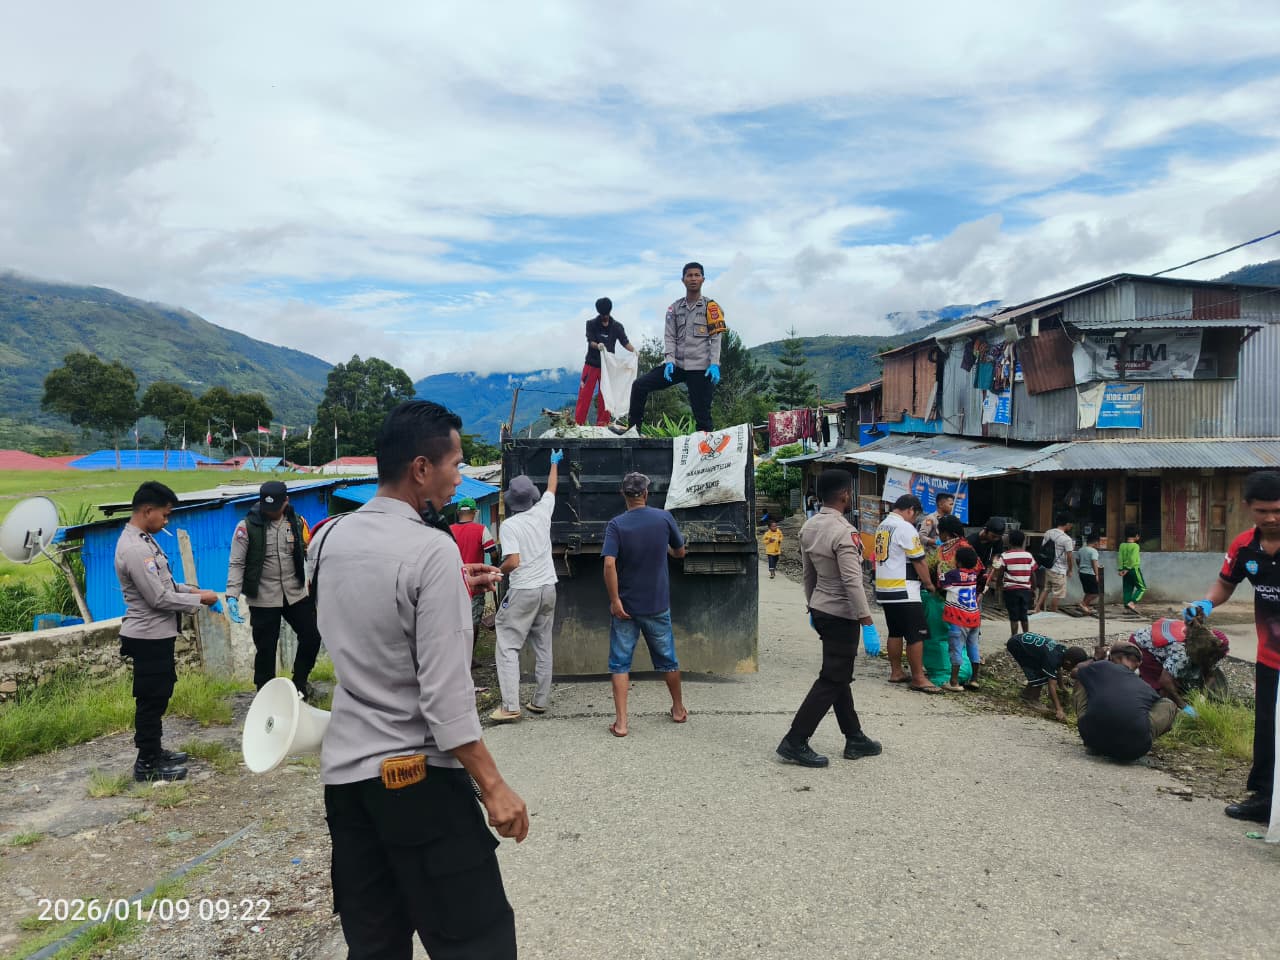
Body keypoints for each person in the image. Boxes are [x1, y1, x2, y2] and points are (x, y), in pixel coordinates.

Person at [308, 399, 526, 959]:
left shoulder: (328, 539)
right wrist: (495, 787)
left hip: (348, 786)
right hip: (419, 783)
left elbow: (367, 618)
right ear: (421, 469)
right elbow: (446, 701)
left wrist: (454, 586)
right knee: (478, 941)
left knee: (376, 944)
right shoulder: (432, 550)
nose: (461, 477)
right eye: (456, 464)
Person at [1184, 469, 1280, 824]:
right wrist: (1206, 604)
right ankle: (1264, 799)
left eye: (1278, 510)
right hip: (1270, 656)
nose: (1270, 518)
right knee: (1268, 726)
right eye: (1262, 511)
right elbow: (1225, 585)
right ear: (1248, 508)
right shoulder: (1244, 546)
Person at [115, 482, 219, 782]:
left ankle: (155, 750)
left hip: (158, 635)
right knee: (150, 700)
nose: (166, 520)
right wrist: (199, 600)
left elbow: (168, 586)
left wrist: (194, 590)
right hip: (147, 636)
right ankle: (146, 764)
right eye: (165, 514)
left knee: (159, 695)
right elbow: (158, 598)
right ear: (148, 511)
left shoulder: (146, 540)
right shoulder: (134, 549)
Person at [777, 469, 882, 767]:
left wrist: (811, 606)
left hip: (822, 609)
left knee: (839, 676)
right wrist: (867, 621)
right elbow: (853, 582)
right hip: (842, 614)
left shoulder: (810, 526)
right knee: (832, 678)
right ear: (846, 494)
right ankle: (795, 740)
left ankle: (854, 737)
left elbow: (808, 573)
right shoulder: (844, 532)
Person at [601, 472, 688, 736]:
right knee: (668, 660)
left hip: (626, 607)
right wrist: (670, 551)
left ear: (623, 495)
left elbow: (608, 563)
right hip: (657, 605)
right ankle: (678, 708)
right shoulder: (663, 518)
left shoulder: (616, 525)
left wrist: (615, 600)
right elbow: (680, 551)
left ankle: (622, 723)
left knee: (620, 664)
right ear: (647, 494)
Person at [225, 480, 322, 699]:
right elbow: (237, 563)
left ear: (286, 501)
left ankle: (300, 684)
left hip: (295, 593)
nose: (271, 512)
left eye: (275, 508)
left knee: (312, 636)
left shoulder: (297, 523)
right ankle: (265, 696)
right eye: (267, 508)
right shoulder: (246, 527)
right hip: (263, 597)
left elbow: (311, 553)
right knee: (266, 649)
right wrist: (232, 595)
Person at [491, 452, 562, 722]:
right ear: (532, 496)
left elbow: (514, 561)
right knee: (544, 646)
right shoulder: (543, 512)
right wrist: (554, 462)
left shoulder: (510, 526)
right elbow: (552, 488)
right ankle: (540, 701)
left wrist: (497, 571)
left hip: (524, 591)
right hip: (548, 588)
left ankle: (510, 706)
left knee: (508, 645)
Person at [627, 262, 724, 434]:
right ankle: (633, 430)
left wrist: (714, 364)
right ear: (683, 280)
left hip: (701, 368)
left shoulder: (712, 307)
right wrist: (669, 361)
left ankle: (706, 452)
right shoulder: (674, 308)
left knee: (702, 415)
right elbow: (670, 336)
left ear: (703, 279)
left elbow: (716, 338)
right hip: (677, 365)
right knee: (640, 385)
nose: (693, 279)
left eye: (697, 275)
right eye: (689, 275)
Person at [875, 494, 940, 694]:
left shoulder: (883, 526)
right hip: (904, 589)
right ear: (910, 509)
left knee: (895, 631)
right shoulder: (904, 527)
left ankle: (896, 672)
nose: (914, 519)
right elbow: (919, 560)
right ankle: (919, 678)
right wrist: (929, 584)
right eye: (915, 515)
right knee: (915, 634)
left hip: (885, 588)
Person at [1071, 642, 1177, 763]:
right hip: (1134, 750)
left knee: (1082, 679)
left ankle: (1095, 739)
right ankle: (1138, 740)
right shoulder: (1145, 687)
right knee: (1168, 704)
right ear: (1138, 664)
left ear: (1111, 657)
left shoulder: (1101, 667)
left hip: (1092, 739)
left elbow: (1074, 672)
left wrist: (1095, 659)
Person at [1130, 617, 1229, 711]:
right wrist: (1183, 706)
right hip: (1144, 646)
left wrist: (1202, 695)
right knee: (1162, 689)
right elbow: (1164, 681)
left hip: (1166, 649)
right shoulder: (1182, 651)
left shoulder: (1207, 646)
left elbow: (1210, 674)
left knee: (1177, 675)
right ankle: (1139, 682)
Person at [573, 297, 636, 426]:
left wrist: (634, 351)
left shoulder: (617, 326)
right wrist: (599, 346)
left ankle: (603, 423)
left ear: (610, 311)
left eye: (606, 315)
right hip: (591, 364)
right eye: (603, 315)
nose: (605, 317)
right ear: (599, 313)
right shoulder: (591, 324)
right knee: (585, 394)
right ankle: (578, 423)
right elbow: (590, 342)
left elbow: (624, 342)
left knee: (606, 395)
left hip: (607, 367)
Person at [1005, 632, 1089, 722]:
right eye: (1072, 668)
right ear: (1068, 663)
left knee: (1046, 672)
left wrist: (1061, 686)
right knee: (1041, 675)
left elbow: (1057, 668)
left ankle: (1026, 694)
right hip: (1017, 646)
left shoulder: (1062, 651)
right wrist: (1059, 709)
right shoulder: (1052, 659)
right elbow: (1051, 686)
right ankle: (1032, 699)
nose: (1071, 671)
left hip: (1021, 641)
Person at [450, 497, 498, 648]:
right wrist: (494, 566)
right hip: (475, 583)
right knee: (473, 619)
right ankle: (469, 657)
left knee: (453, 619)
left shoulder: (448, 530)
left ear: (458, 513)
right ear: (474, 512)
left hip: (452, 581)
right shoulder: (481, 529)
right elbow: (493, 553)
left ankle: (455, 653)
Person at [939, 546, 983, 692]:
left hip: (959, 619)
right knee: (973, 647)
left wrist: (940, 570)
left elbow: (942, 583)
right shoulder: (974, 574)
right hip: (974, 617)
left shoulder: (953, 575)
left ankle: (954, 681)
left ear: (958, 562)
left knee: (956, 648)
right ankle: (975, 679)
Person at [987, 528, 1036, 637]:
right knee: (1024, 615)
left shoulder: (1005, 555)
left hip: (1011, 590)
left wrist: (999, 585)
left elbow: (1001, 573)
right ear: (1023, 541)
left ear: (1009, 541)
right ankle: (1026, 637)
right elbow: (1033, 573)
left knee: (1013, 615)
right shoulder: (1028, 555)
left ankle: (1014, 637)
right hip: (1025, 589)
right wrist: (1033, 587)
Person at [1033, 511, 1075, 615]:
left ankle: (1037, 608)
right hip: (1059, 569)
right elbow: (1069, 556)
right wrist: (1070, 569)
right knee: (1058, 594)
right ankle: (1053, 613)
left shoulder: (1048, 532)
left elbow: (1043, 547)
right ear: (1068, 524)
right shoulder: (1067, 539)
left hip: (1049, 567)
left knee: (1046, 589)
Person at [1118, 523, 1146, 615]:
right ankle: (1132, 603)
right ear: (1137, 536)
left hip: (1124, 571)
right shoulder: (1136, 546)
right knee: (1142, 588)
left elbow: (1120, 557)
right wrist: (1127, 568)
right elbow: (1133, 559)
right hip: (1133, 569)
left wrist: (1121, 569)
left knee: (1127, 589)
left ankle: (1127, 608)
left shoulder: (1122, 545)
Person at [1077, 530, 1102, 616]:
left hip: (1082, 573)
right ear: (1095, 542)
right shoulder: (1093, 551)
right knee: (1095, 593)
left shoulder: (1081, 550)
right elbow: (1094, 562)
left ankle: (1085, 605)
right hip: (1090, 573)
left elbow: (1077, 560)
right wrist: (1097, 574)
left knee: (1088, 591)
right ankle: (1083, 604)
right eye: (1099, 543)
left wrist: (1080, 567)